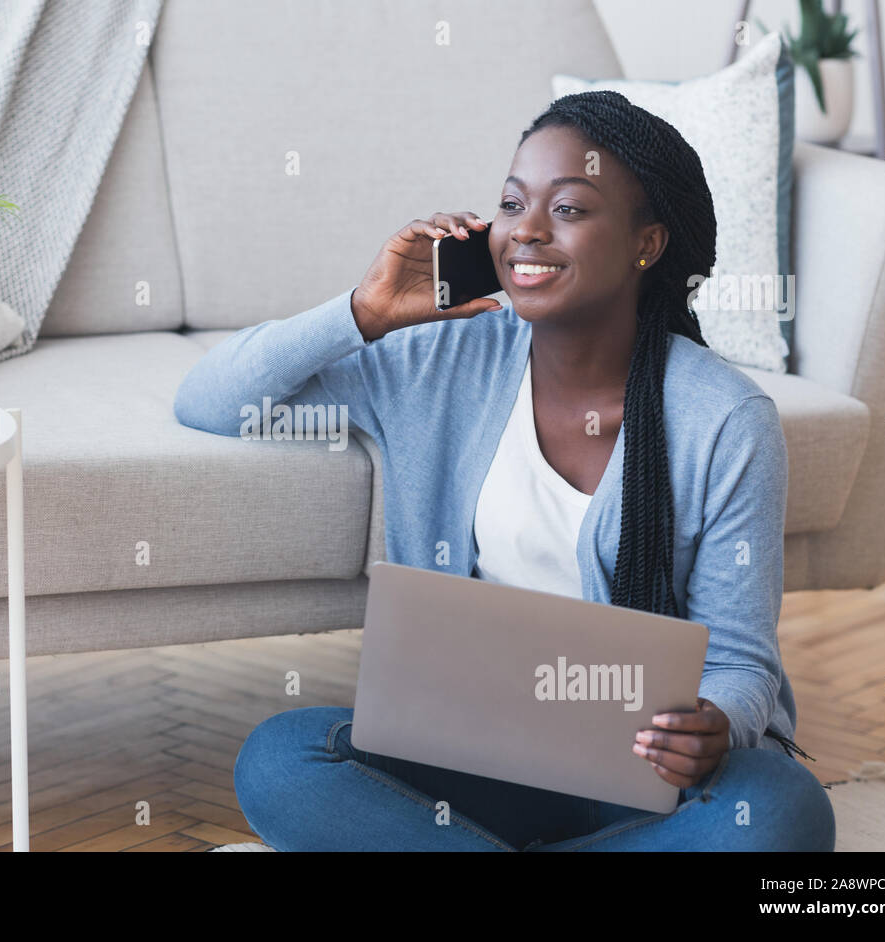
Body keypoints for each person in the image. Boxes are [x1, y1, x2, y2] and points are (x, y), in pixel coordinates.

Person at [172, 91, 836, 851]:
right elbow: (212, 401)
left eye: (571, 209)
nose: (527, 230)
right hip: (473, 759)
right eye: (513, 203)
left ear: (644, 245)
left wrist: (712, 725)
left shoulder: (724, 419)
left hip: (646, 783)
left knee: (782, 812)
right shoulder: (436, 358)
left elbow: (740, 662)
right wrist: (364, 310)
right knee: (284, 759)